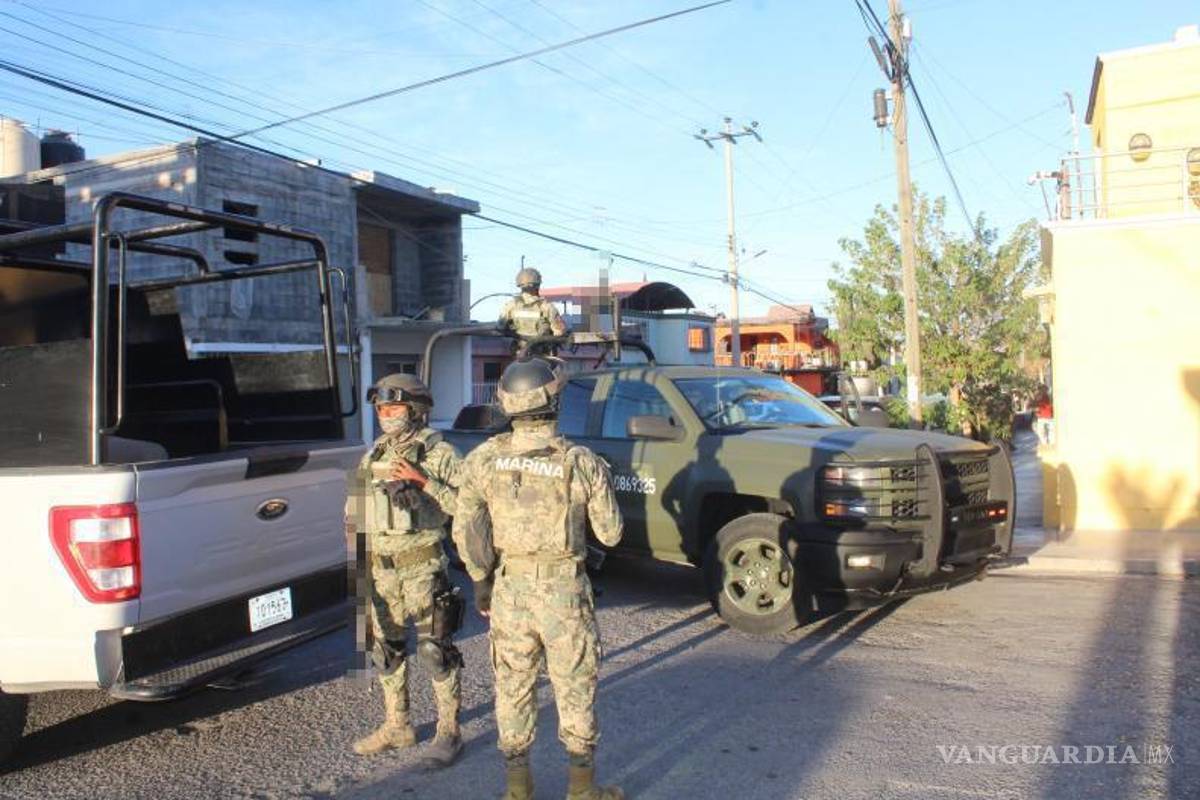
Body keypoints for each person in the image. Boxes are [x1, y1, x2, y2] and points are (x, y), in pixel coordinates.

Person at [453, 358, 624, 800]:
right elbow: (611, 533)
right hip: (565, 589)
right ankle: (583, 790)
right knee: (575, 685)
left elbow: (467, 526)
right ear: (555, 400)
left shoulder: (485, 458)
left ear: (507, 403)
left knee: (512, 685)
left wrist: (480, 580)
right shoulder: (579, 460)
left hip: (510, 589)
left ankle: (517, 789)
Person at [344, 373, 465, 767]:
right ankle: (398, 725)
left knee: (436, 652)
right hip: (381, 572)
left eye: (393, 408)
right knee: (387, 652)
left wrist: (424, 483)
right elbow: (357, 507)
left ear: (416, 410)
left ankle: (449, 732)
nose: (385, 415)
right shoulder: (375, 453)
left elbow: (469, 507)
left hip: (422, 568)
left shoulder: (439, 452)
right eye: (380, 408)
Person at [497, 267, 569, 355]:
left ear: (519, 285)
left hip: (519, 354)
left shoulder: (510, 306)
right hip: (542, 355)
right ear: (538, 285)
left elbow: (500, 327)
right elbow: (560, 332)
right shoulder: (547, 307)